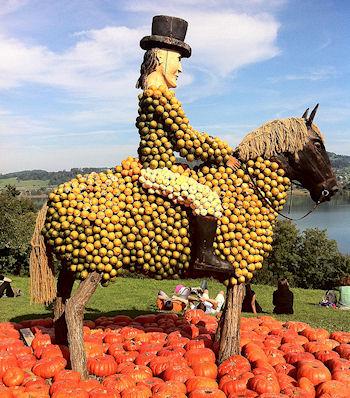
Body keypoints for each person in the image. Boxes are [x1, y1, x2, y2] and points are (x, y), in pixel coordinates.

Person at [136, 15, 240, 275]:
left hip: (163, 166)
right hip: (157, 171)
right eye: (179, 60)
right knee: (208, 199)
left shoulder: (155, 95)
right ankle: (203, 258)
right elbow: (188, 141)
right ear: (161, 59)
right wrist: (222, 155)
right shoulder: (159, 97)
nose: (180, 69)